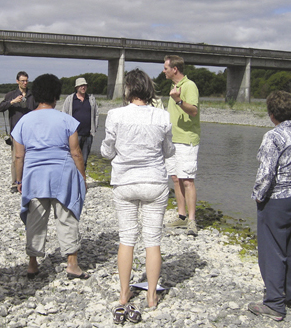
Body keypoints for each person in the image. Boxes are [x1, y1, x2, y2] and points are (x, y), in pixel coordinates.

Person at [101, 69, 174, 322]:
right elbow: (168, 150)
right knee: (153, 239)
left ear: (128, 89)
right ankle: (152, 295)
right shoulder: (162, 116)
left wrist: (114, 149)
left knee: (127, 238)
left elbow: (108, 150)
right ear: (148, 89)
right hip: (155, 181)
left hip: (125, 182)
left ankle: (124, 294)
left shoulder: (115, 115)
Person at [11, 73, 89, 280]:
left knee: (35, 219)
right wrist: (82, 177)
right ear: (56, 96)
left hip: (35, 175)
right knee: (67, 216)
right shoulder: (67, 120)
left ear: (35, 96)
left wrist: (19, 180)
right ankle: (72, 263)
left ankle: (33, 264)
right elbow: (76, 152)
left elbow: (19, 155)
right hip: (63, 173)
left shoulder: (24, 121)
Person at [248, 91, 291, 322]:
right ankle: (289, 294)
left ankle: (274, 303)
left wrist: (258, 196)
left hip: (278, 198)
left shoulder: (274, 136)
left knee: (272, 251)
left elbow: (266, 173)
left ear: (272, 114)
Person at [162, 55, 200, 236]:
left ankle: (192, 221)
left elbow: (193, 111)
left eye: (165, 68)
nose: (164, 71)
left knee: (187, 180)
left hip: (187, 139)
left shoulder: (189, 85)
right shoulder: (174, 87)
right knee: (176, 179)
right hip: (172, 139)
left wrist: (178, 100)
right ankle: (182, 216)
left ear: (174, 69)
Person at [0, 71, 37, 193]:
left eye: (26, 80)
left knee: (30, 158)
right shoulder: (11, 95)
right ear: (17, 81)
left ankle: (28, 182)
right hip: (16, 132)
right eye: (22, 81)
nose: (25, 83)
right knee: (16, 158)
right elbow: (0, 108)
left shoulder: (33, 95)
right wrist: (12, 102)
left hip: (31, 132)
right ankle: (15, 183)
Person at [62, 77, 99, 168]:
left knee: (84, 159)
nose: (83, 87)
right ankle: (73, 179)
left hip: (88, 134)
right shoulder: (70, 99)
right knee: (73, 158)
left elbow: (96, 115)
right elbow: (64, 115)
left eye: (85, 85)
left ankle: (82, 179)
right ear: (77, 87)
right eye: (81, 85)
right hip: (74, 134)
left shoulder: (91, 99)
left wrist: (93, 129)